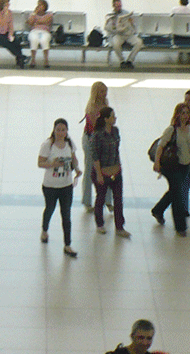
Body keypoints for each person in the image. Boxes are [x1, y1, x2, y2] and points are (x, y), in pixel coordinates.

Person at [151, 102, 190, 236]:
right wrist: (157, 163)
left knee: (175, 191)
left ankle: (158, 210)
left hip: (184, 166)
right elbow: (160, 146)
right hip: (172, 167)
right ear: (177, 114)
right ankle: (180, 227)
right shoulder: (171, 130)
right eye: (182, 113)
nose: (185, 116)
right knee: (178, 195)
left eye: (187, 113)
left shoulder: (188, 129)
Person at [39, 118, 81, 257]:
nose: (61, 133)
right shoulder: (48, 145)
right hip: (50, 186)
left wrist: (77, 169)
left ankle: (67, 245)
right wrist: (52, 164)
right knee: (50, 208)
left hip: (66, 186)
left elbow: (73, 158)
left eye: (63, 130)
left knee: (66, 214)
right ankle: (45, 230)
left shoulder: (69, 143)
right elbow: (40, 162)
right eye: (58, 130)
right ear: (54, 130)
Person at [91, 107, 130, 238]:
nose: (115, 118)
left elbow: (117, 150)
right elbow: (95, 156)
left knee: (118, 199)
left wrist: (119, 166)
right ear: (106, 119)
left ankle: (120, 226)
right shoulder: (97, 135)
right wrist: (99, 174)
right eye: (112, 116)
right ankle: (99, 223)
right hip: (102, 172)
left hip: (116, 171)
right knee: (100, 198)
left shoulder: (116, 131)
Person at [82, 82, 110, 211]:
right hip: (91, 140)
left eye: (105, 91)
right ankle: (87, 201)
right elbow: (96, 128)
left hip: (102, 139)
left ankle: (108, 200)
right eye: (102, 92)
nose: (104, 94)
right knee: (89, 169)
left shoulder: (105, 103)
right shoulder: (92, 108)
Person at [0, 0, 27, 68]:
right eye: (6, 4)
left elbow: (10, 25)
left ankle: (20, 59)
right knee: (8, 43)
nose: (8, 5)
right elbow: (2, 23)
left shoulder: (9, 12)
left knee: (16, 41)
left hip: (6, 33)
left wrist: (11, 34)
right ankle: (21, 57)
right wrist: (5, 13)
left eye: (8, 3)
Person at [104, 0, 142, 68]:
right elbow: (106, 28)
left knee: (139, 42)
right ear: (113, 6)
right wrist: (114, 27)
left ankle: (130, 60)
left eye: (120, 6)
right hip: (118, 34)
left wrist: (132, 23)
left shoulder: (126, 13)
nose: (119, 8)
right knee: (115, 44)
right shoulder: (110, 15)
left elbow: (135, 27)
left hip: (128, 34)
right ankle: (122, 60)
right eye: (117, 6)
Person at [25, 0, 53, 68]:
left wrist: (37, 22)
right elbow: (30, 23)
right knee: (34, 39)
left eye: (40, 5)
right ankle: (33, 60)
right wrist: (34, 14)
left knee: (44, 40)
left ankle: (46, 60)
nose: (39, 6)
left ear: (44, 7)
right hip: (34, 31)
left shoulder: (49, 15)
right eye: (38, 5)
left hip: (45, 31)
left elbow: (46, 21)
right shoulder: (33, 14)